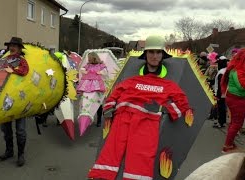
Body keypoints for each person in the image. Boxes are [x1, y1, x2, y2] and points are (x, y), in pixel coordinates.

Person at [88, 35, 191, 180]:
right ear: (146, 55)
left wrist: (164, 108)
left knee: (140, 157)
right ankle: (101, 176)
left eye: (158, 52)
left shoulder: (169, 85)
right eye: (151, 52)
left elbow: (183, 104)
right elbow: (114, 96)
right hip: (122, 118)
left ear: (162, 55)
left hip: (146, 123)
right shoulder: (131, 81)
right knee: (111, 151)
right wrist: (109, 108)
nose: (154, 56)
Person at [0, 37, 28, 167]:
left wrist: (13, 70)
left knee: (20, 130)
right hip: (5, 99)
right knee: (6, 129)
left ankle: (21, 155)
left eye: (15, 45)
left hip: (19, 99)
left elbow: (25, 71)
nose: (12, 47)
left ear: (20, 49)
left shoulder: (22, 61)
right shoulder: (4, 60)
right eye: (11, 45)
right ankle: (9, 151)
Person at [76, 52, 107, 135]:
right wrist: (85, 71)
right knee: (86, 100)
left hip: (97, 86)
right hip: (87, 86)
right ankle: (85, 115)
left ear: (94, 58)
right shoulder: (88, 65)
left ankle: (99, 119)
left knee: (98, 102)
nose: (88, 60)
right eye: (88, 58)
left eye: (89, 58)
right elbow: (82, 69)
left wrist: (99, 72)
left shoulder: (100, 65)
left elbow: (105, 72)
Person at [221, 48, 245, 153]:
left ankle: (230, 143)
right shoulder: (238, 70)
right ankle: (227, 146)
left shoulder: (235, 68)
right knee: (237, 123)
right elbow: (242, 86)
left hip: (234, 98)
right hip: (237, 99)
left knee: (234, 122)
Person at [213, 56, 228, 128]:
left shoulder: (221, 72)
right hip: (225, 93)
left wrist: (217, 95)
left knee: (221, 107)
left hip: (221, 93)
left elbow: (220, 85)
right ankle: (223, 121)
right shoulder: (226, 70)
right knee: (223, 108)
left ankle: (220, 122)